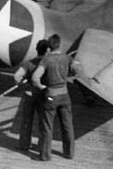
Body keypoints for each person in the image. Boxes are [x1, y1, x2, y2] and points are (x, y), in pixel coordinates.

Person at [33, 33, 81, 161]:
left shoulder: (46, 59)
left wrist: (41, 87)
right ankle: (69, 153)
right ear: (60, 44)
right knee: (67, 125)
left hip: (51, 96)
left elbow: (35, 77)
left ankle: (44, 155)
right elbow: (76, 70)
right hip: (65, 95)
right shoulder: (67, 58)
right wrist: (69, 76)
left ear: (49, 46)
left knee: (47, 126)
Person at [13, 38, 49, 152]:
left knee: (26, 121)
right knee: (43, 122)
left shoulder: (28, 63)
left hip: (29, 94)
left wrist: (23, 88)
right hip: (43, 94)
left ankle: (24, 145)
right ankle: (41, 147)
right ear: (47, 51)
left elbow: (17, 76)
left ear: (36, 49)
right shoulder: (48, 64)